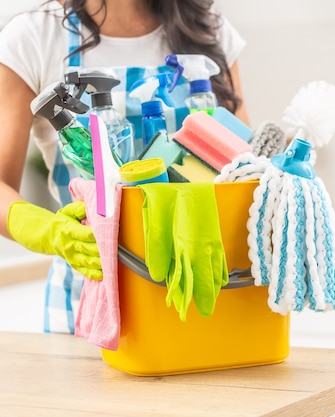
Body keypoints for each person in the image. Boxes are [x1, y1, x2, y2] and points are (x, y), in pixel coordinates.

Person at [0, 0, 249, 333]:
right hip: (89, 299)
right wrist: (49, 232)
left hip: (199, 288)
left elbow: (244, 167)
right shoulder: (35, 36)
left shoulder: (207, 29)